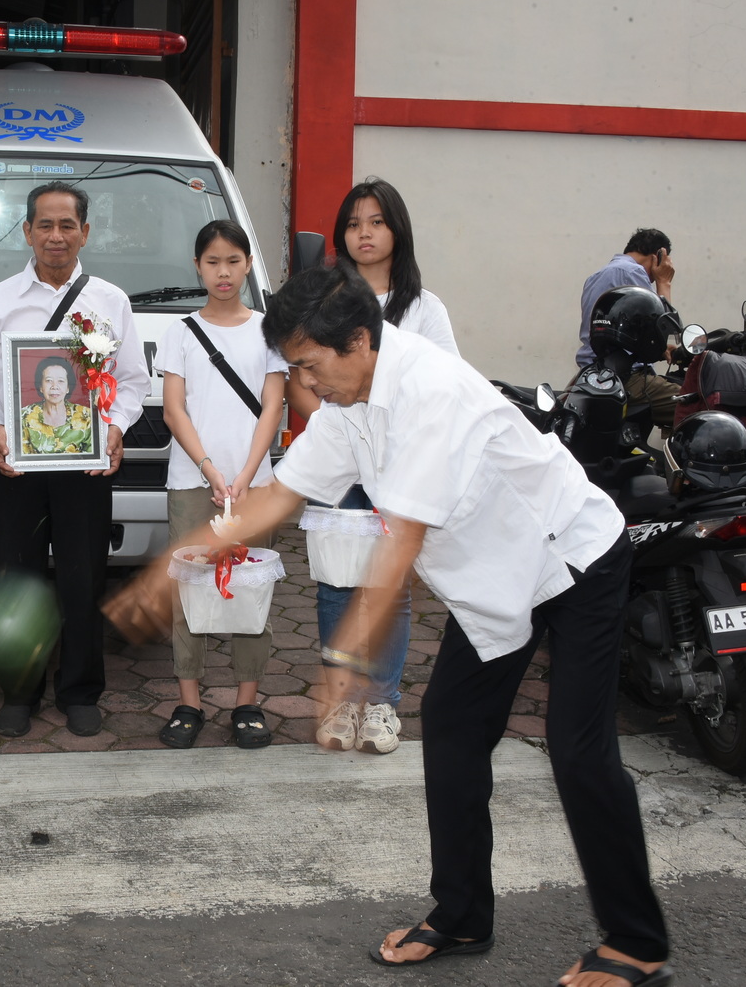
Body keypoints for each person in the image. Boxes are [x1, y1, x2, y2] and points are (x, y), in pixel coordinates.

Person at [105, 259, 671, 987]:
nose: (303, 384)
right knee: (454, 728)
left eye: (309, 365)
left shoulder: (430, 392)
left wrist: (345, 663)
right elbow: (279, 494)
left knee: (579, 750)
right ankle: (462, 914)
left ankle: (636, 942)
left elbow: (399, 545)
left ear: (359, 342)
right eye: (294, 368)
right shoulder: (348, 402)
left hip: (573, 560)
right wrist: (169, 569)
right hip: (498, 579)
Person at [0, 181, 150, 738]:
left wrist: (114, 429)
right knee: (17, 579)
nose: (56, 235)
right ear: (26, 231)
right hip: (18, 468)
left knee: (82, 579)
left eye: (67, 225)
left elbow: (132, 381)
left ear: (85, 232)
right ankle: (18, 693)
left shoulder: (110, 301)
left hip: (84, 468)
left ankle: (80, 690)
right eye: (44, 224)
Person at [288, 177, 458, 756]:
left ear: (397, 231)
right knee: (336, 584)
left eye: (377, 222)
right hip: (339, 468)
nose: (365, 233)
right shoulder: (322, 301)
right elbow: (299, 379)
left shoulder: (424, 309)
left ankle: (382, 705)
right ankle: (340, 704)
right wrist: (337, 434)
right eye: (354, 223)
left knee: (391, 587)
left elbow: (445, 387)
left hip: (400, 470)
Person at [156, 219, 286, 750]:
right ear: (197, 267)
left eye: (233, 261)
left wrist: (247, 474)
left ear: (248, 264)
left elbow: (273, 406)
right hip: (193, 481)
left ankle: (246, 703)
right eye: (213, 262)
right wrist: (211, 469)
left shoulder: (269, 330)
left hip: (256, 485)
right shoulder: (180, 331)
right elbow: (173, 409)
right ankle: (189, 703)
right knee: (189, 594)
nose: (223, 272)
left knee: (252, 592)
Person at [578, 228, 678, 428]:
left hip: (593, 372)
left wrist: (661, 350)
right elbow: (664, 327)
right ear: (658, 257)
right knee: (693, 402)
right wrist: (664, 282)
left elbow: (621, 332)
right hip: (625, 376)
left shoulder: (596, 276)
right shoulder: (633, 272)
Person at [20, 356, 93, 455]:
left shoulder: (87, 416)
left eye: (61, 381)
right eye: (49, 380)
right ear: (41, 387)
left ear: (68, 387)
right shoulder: (24, 416)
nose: (54, 386)